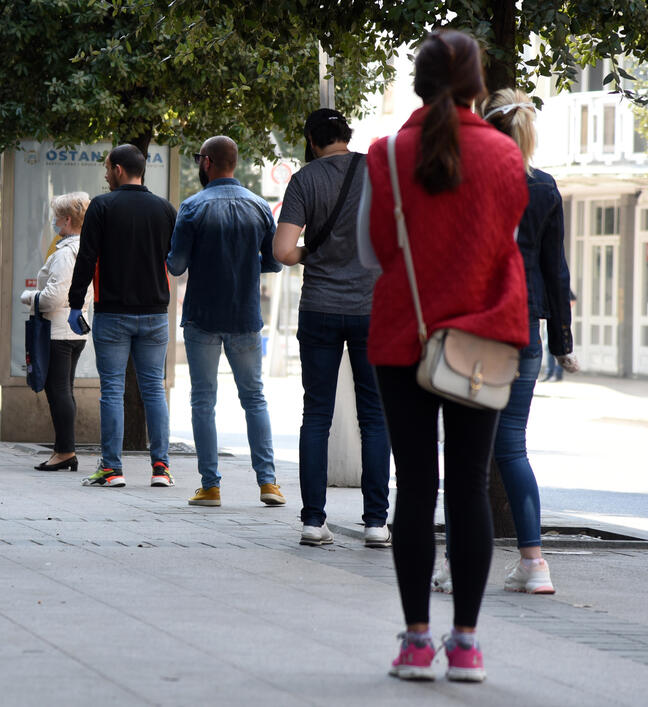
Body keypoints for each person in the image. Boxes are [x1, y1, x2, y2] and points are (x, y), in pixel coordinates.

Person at [357, 30, 530, 682]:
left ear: (420, 84)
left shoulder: (388, 151)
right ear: (479, 85)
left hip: (404, 336)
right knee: (467, 490)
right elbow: (503, 243)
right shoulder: (505, 156)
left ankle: (414, 640)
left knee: (415, 489)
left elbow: (374, 252)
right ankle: (466, 644)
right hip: (481, 342)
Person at [433, 89, 579, 596]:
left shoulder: (465, 182)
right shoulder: (545, 188)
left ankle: (453, 565)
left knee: (465, 455)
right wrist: (563, 340)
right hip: (526, 332)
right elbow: (554, 272)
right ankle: (535, 564)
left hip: (475, 329)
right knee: (512, 450)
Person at [271, 110, 392, 548]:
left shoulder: (305, 180)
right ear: (347, 135)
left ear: (310, 140)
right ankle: (377, 523)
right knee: (375, 417)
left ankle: (312, 521)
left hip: (320, 308)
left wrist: (313, 255)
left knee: (316, 414)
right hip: (372, 310)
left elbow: (283, 251)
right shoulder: (379, 173)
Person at [166, 136, 285, 507]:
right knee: (254, 398)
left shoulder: (192, 207)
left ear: (207, 162)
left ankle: (211, 486)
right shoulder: (259, 206)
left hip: (202, 316)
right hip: (245, 315)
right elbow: (275, 261)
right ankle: (268, 483)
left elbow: (176, 265)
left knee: (203, 401)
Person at [67, 144, 177, 488]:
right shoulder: (164, 209)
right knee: (154, 391)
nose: (105, 174)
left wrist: (75, 304)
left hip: (113, 311)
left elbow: (86, 258)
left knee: (112, 390)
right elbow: (174, 260)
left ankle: (112, 469)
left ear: (116, 169)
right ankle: (161, 469)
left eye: (106, 168)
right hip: (156, 313)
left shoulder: (102, 206)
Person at [20, 192, 92, 471]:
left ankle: (64, 451)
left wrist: (28, 296)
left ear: (67, 219)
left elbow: (52, 297)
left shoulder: (65, 254)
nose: (53, 221)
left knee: (58, 391)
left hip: (58, 330)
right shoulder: (84, 249)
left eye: (56, 216)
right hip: (75, 329)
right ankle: (64, 450)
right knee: (65, 390)